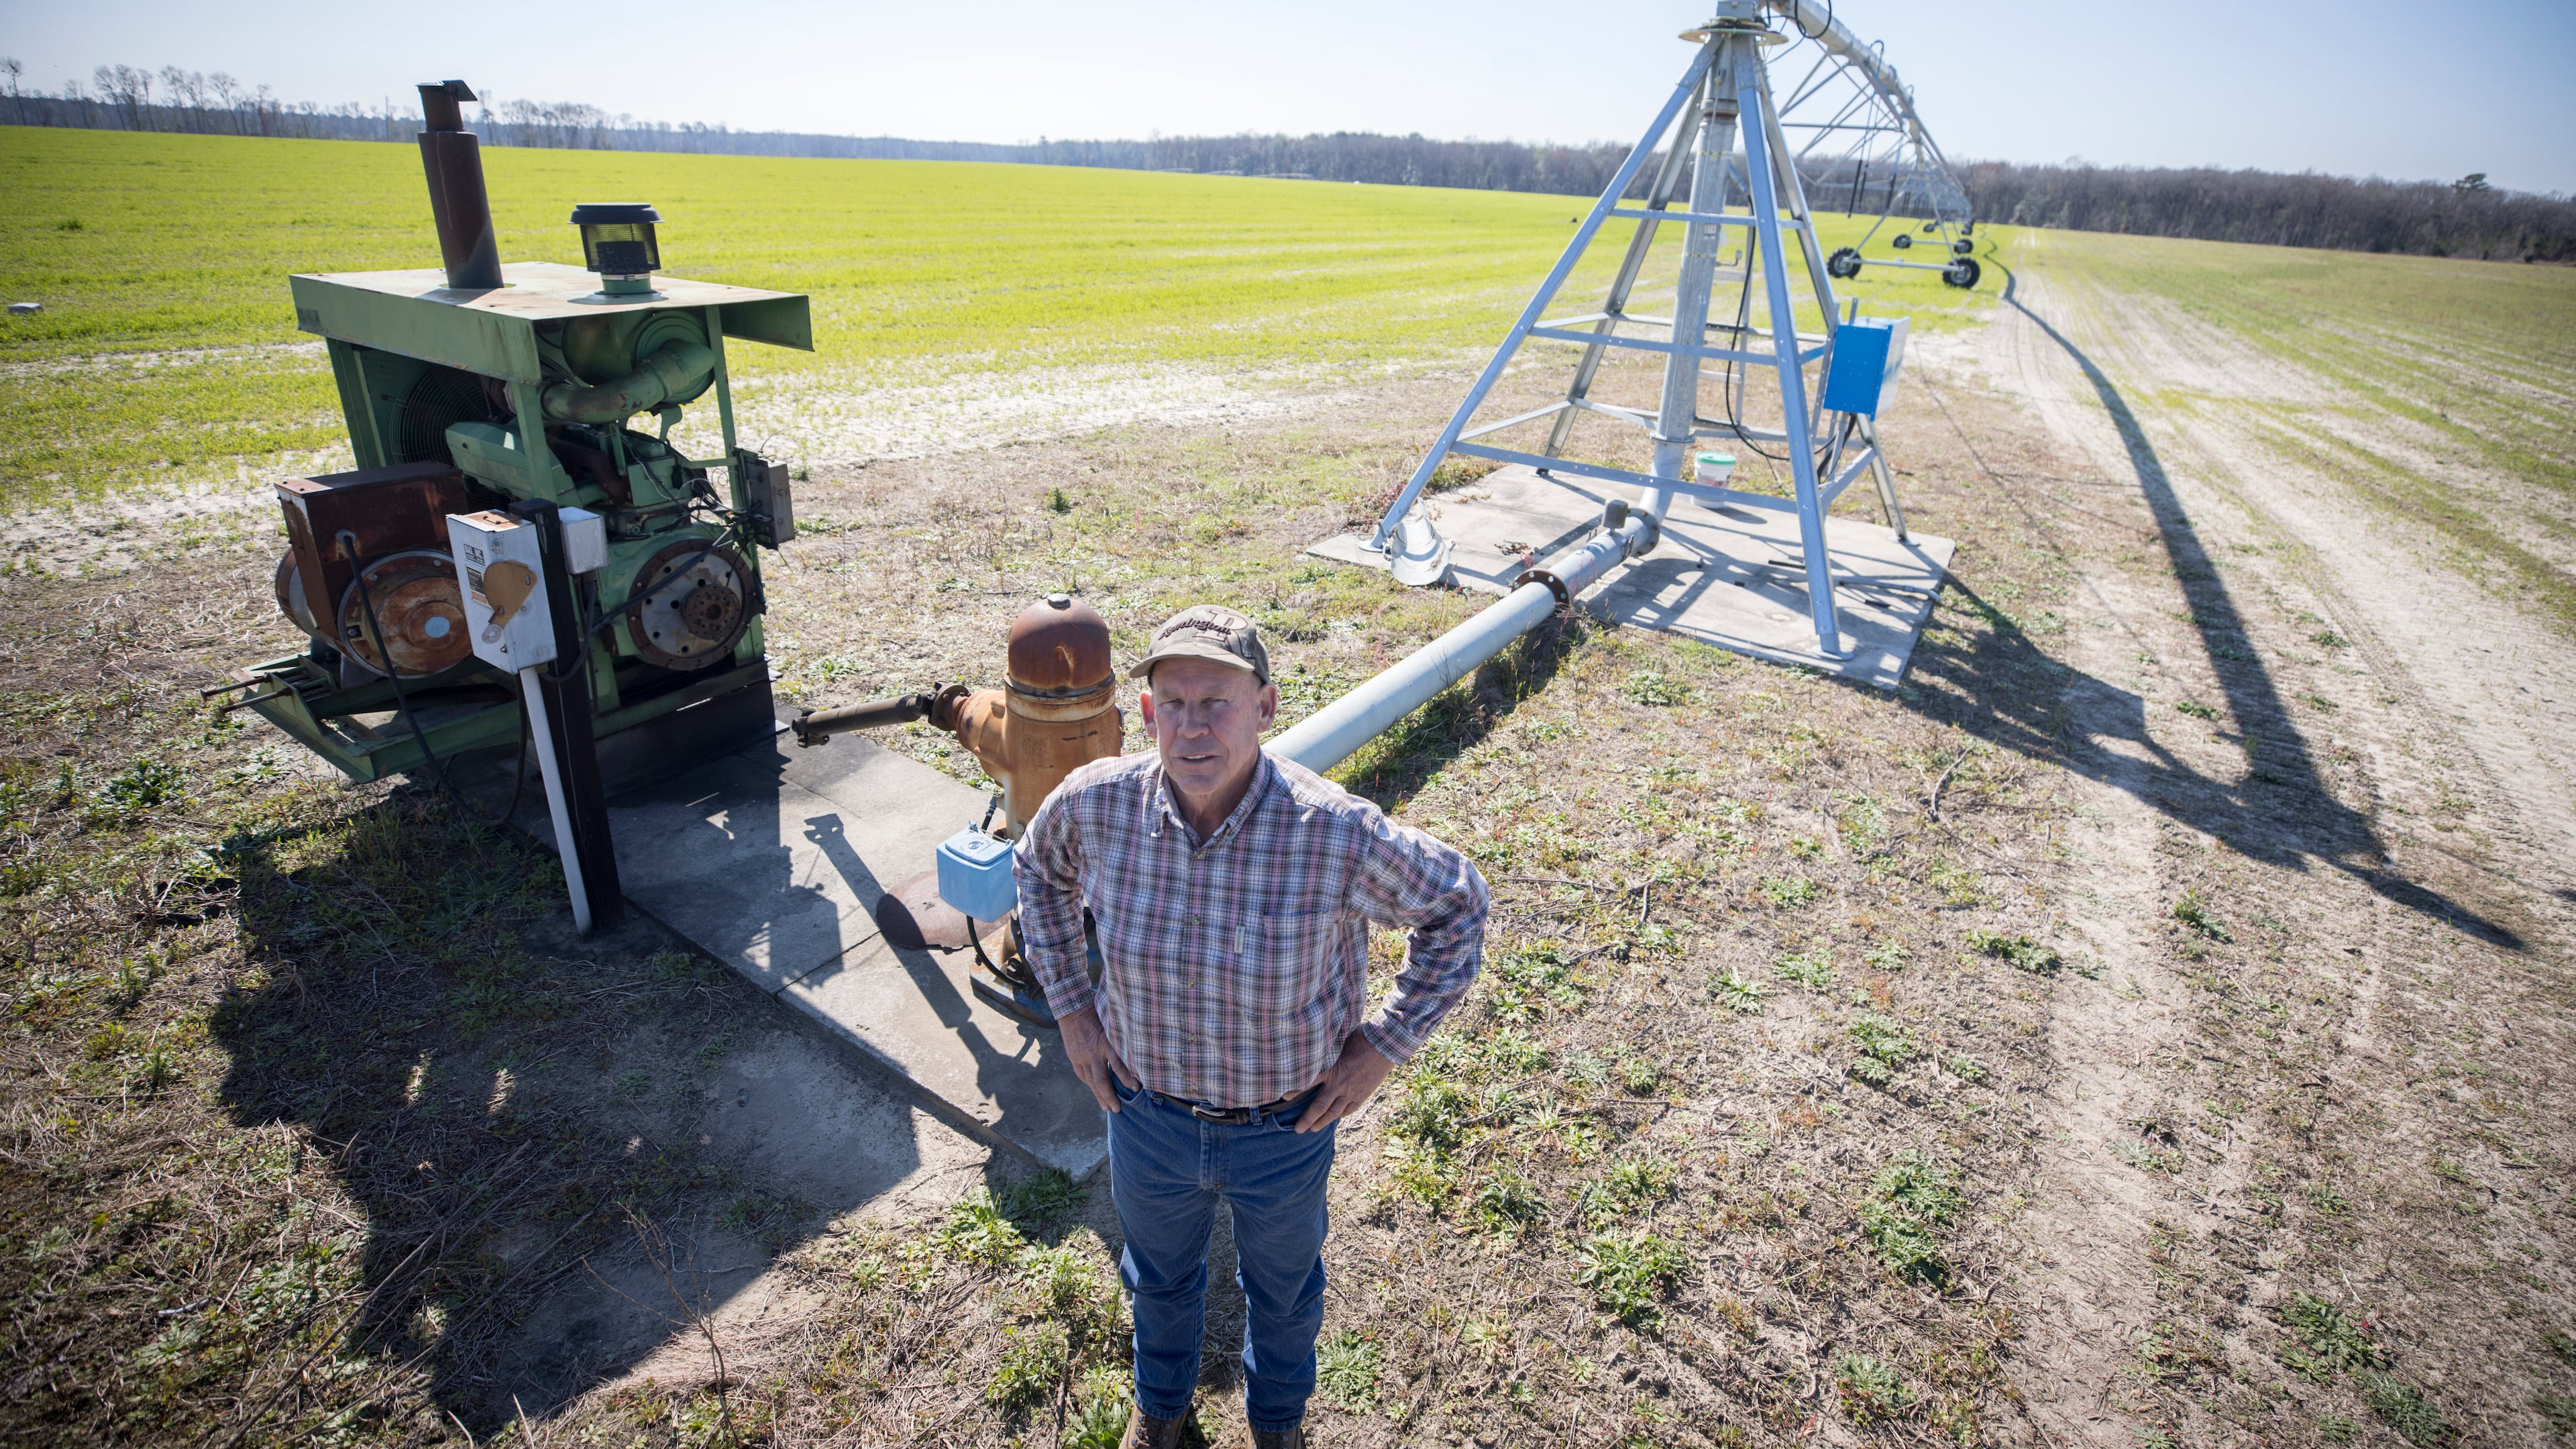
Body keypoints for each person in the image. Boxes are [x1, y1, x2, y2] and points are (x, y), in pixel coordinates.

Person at [1014, 603, 1489, 1449]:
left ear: (1265, 709)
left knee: (1283, 1290)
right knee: (1158, 1279)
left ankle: (1277, 1425)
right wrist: (1075, 1012)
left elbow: (1457, 905)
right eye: (1176, 705)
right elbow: (1037, 870)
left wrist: (1383, 1046)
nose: (1194, 728)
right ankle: (1159, 1411)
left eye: (1218, 703)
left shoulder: (1331, 833)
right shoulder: (1099, 806)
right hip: (1146, 1115)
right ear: (1150, 713)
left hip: (1285, 1128)